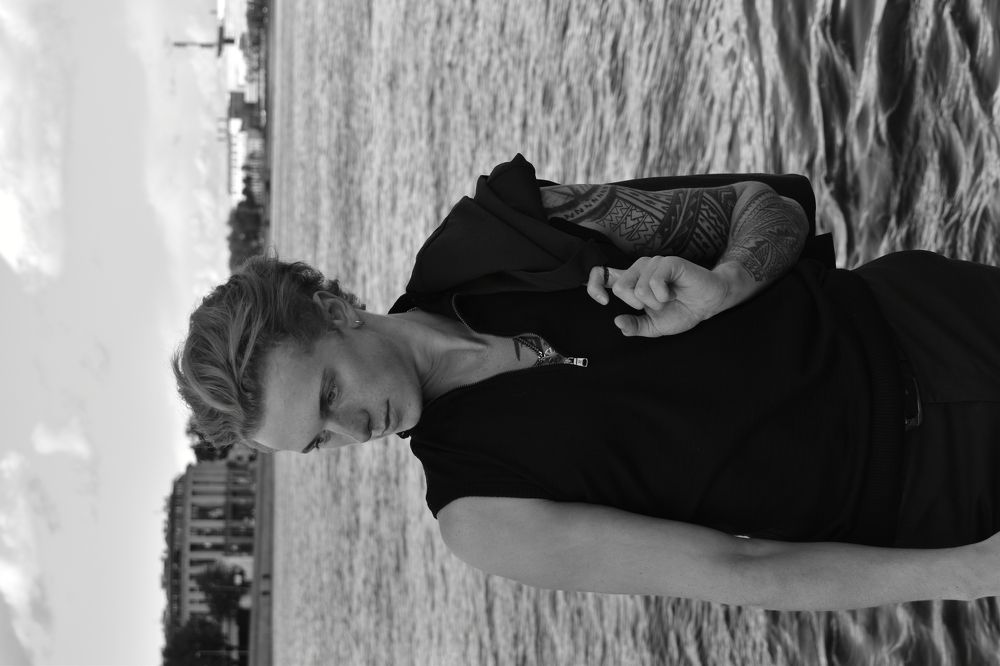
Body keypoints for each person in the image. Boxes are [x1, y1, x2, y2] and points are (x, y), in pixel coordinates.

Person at [173, 155, 1000, 611]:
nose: (353, 431)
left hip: (925, 315)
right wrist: (971, 573)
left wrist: (728, 282)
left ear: (332, 310)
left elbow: (765, 207)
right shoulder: (479, 514)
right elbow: (740, 570)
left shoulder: (498, 236)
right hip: (931, 489)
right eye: (319, 440)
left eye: (327, 397)